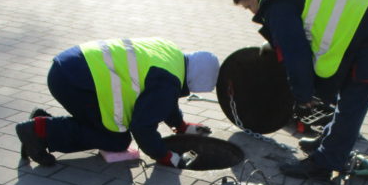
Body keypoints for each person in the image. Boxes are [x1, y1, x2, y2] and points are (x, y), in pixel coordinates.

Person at [232, 0, 368, 179]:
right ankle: (330, 140)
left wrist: (303, 94)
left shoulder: (276, 0)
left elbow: (296, 51)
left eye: (249, 6)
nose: (254, 13)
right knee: (348, 85)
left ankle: (326, 162)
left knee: (357, 88)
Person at [16, 37, 219, 168]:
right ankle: (37, 131)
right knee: (117, 141)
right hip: (77, 83)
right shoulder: (168, 81)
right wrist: (165, 156)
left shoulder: (172, 54)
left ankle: (46, 125)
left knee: (100, 126)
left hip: (70, 67)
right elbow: (142, 127)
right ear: (194, 80)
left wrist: (180, 125)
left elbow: (163, 101)